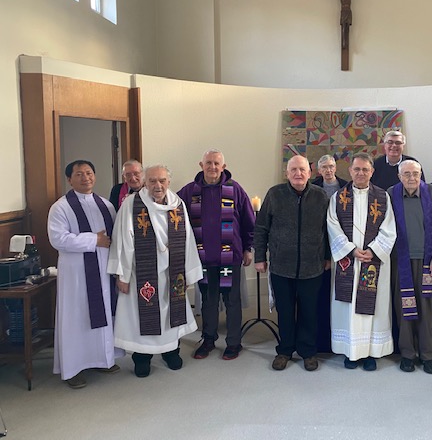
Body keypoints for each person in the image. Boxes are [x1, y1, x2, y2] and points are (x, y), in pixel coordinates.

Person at [108, 165, 203, 377]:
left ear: (169, 182)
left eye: (162, 180)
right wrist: (122, 275)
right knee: (142, 315)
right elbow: (122, 241)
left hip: (173, 272)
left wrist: (188, 272)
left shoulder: (178, 204)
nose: (157, 185)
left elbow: (188, 239)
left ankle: (171, 352)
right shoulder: (132, 204)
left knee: (172, 314)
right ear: (145, 182)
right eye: (152, 181)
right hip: (142, 272)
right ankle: (142, 358)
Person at [47, 160, 122, 389]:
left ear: (95, 176)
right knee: (76, 318)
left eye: (89, 173)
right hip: (77, 275)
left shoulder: (106, 205)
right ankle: (73, 368)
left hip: (103, 270)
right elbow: (58, 239)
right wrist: (94, 240)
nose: (85, 178)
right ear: (69, 179)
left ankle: (102, 359)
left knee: (104, 312)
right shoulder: (60, 207)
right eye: (79, 174)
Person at [177, 149, 255, 361]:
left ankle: (233, 342)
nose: (212, 167)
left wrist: (248, 248)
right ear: (201, 165)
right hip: (202, 258)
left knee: (232, 301)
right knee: (208, 302)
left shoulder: (235, 189)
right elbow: (173, 215)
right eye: (208, 163)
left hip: (229, 256)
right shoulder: (189, 191)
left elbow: (249, 222)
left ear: (223, 166)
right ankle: (208, 339)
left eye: (216, 163)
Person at [254, 155, 330, 371]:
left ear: (310, 173)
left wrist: (327, 257)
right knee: (285, 311)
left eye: (302, 169)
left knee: (309, 312)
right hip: (281, 266)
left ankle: (308, 351)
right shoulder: (274, 194)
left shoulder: (321, 196)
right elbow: (261, 228)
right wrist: (260, 257)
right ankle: (285, 350)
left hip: (312, 266)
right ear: (287, 173)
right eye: (294, 170)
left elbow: (328, 230)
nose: (298, 173)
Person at [328, 153, 397, 371]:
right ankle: (351, 352)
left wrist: (373, 250)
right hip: (348, 261)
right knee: (348, 307)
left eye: (365, 169)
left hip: (372, 260)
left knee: (373, 308)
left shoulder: (383, 197)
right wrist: (350, 250)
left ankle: (371, 353)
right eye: (356, 169)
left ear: (372, 172)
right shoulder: (338, 197)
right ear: (350, 171)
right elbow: (332, 226)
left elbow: (389, 228)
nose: (360, 173)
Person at [389, 160, 432, 374]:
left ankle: (427, 355)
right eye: (406, 174)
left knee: (426, 308)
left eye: (415, 173)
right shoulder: (391, 194)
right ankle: (407, 354)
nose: (411, 178)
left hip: (428, 261)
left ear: (421, 174)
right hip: (400, 261)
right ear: (399, 176)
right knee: (403, 308)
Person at [311, 154, 348, 352]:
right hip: (320, 242)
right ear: (319, 170)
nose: (328, 170)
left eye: (331, 166)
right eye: (324, 167)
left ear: (336, 167)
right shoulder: (312, 187)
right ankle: (322, 339)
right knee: (322, 292)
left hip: (343, 242)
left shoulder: (346, 187)